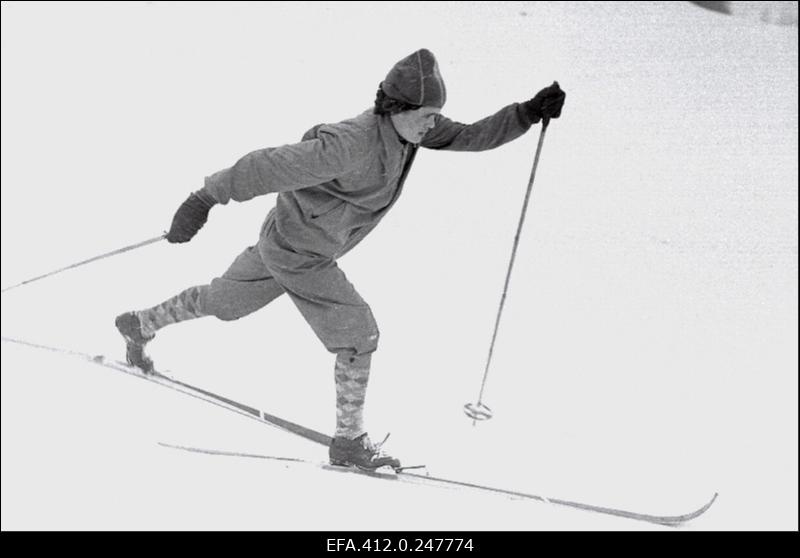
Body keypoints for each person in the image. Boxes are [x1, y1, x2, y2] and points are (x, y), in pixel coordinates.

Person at [115, 48, 565, 470]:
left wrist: (525, 113)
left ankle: (140, 323)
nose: (433, 125)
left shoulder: (410, 131)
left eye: (435, 116)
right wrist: (204, 198)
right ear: (396, 109)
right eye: (427, 117)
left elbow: (468, 136)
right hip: (301, 253)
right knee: (357, 332)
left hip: (288, 241)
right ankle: (348, 441)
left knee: (225, 303)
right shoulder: (349, 144)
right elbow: (266, 165)